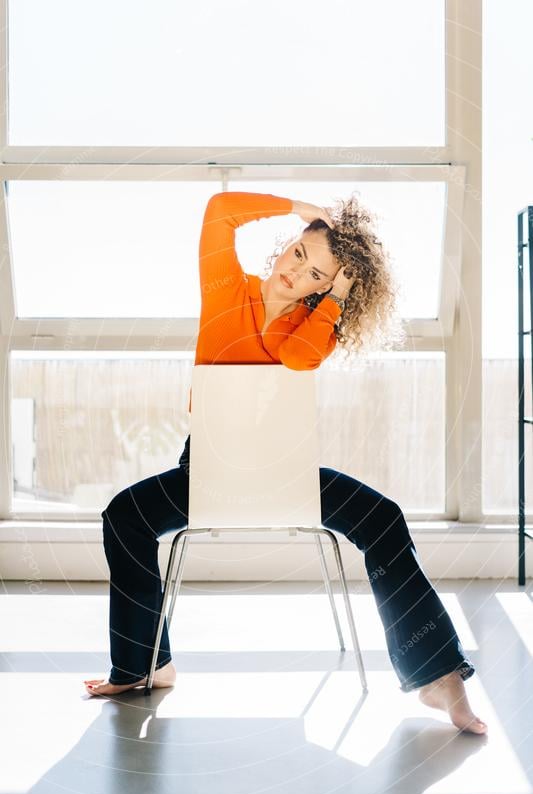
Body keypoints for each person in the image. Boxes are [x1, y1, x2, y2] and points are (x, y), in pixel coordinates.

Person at [84, 191, 487, 735]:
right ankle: (144, 666)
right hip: (209, 474)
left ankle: (441, 679)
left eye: (317, 273)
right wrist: (301, 208)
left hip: (286, 475)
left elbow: (297, 359)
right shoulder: (227, 289)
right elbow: (219, 212)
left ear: (327, 288)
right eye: (298, 253)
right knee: (122, 516)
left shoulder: (311, 327)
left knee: (384, 518)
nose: (297, 272)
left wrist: (335, 301)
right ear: (288, 247)